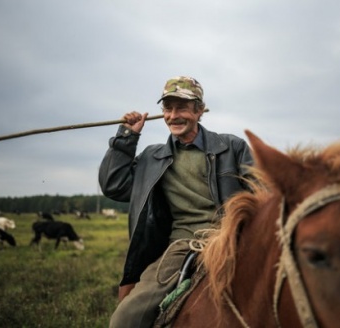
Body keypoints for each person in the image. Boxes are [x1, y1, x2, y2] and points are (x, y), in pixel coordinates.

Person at [99, 76, 254, 328]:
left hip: (232, 242)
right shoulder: (152, 157)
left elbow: (262, 194)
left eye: (182, 107)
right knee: (124, 320)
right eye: (168, 108)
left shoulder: (231, 147)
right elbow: (114, 185)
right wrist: (126, 137)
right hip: (181, 247)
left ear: (199, 110)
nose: (174, 115)